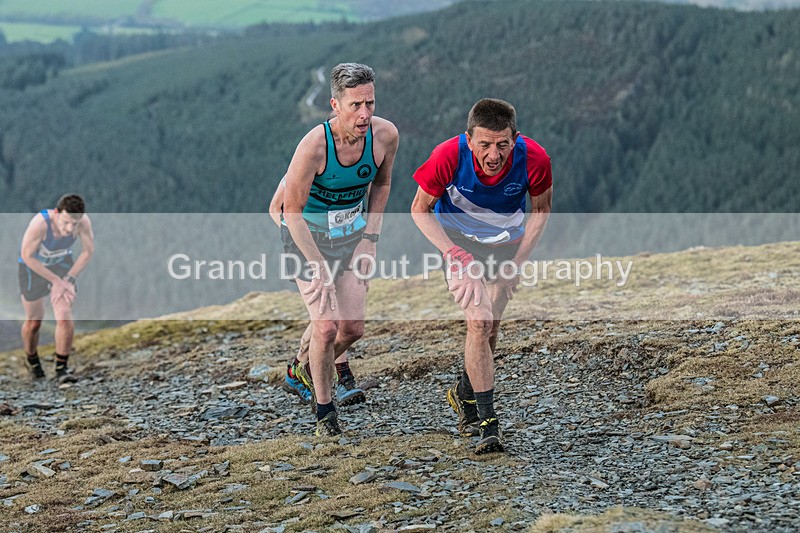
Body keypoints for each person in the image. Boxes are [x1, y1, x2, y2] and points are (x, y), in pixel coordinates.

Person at [410, 98, 552, 454]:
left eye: (503, 144)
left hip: (506, 241)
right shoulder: (447, 155)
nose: (493, 154)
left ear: (515, 139)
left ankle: (464, 390)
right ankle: (487, 423)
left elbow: (542, 209)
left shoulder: (535, 159)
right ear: (469, 139)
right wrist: (451, 252)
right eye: (485, 144)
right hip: (458, 241)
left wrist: (517, 262)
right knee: (478, 322)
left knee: (492, 325)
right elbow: (419, 209)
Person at [280, 63, 398, 436]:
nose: (365, 114)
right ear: (335, 104)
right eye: (355, 106)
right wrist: (318, 267)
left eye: (370, 103)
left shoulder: (385, 136)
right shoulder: (313, 146)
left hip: (351, 238)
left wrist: (370, 239)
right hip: (306, 239)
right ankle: (325, 414)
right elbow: (291, 212)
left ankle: (301, 363)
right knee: (327, 327)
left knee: (352, 328)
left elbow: (381, 185)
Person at [268, 177, 366, 407]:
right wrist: (298, 238)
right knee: (329, 316)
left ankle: (299, 371)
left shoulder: (356, 167)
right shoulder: (304, 166)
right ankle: (341, 379)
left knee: (332, 319)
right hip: (311, 254)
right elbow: (275, 208)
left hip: (343, 248)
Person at [18, 194, 95, 382]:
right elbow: (27, 256)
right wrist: (55, 280)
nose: (70, 229)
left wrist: (68, 278)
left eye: (75, 224)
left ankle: (62, 369)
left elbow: (88, 251)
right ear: (56, 213)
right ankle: (32, 359)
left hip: (61, 264)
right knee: (34, 322)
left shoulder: (83, 221)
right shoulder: (40, 224)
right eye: (67, 222)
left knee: (64, 314)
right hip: (33, 269)